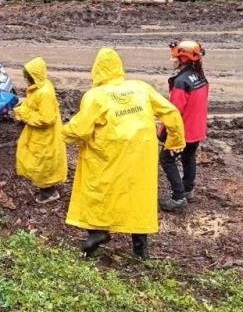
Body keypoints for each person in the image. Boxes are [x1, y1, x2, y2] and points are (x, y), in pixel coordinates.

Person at [62, 48, 185, 259]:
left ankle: (98, 232)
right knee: (139, 197)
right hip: (141, 154)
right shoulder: (140, 87)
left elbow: (80, 129)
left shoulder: (94, 96)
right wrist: (175, 140)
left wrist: (59, 135)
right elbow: (171, 112)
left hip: (108, 155)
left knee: (99, 191)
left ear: (97, 70)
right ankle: (141, 249)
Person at [159, 40, 210, 211]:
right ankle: (188, 190)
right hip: (197, 129)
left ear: (184, 58)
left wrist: (162, 131)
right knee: (189, 157)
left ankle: (178, 197)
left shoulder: (181, 82)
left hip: (184, 131)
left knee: (166, 159)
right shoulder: (200, 77)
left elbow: (174, 111)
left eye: (174, 57)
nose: (171, 60)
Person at [12, 57, 67, 204]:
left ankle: (49, 192)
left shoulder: (43, 93)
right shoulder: (41, 86)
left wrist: (23, 113)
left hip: (45, 136)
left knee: (43, 162)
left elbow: (47, 118)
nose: (25, 79)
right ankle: (48, 188)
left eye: (27, 76)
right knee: (42, 160)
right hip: (41, 134)